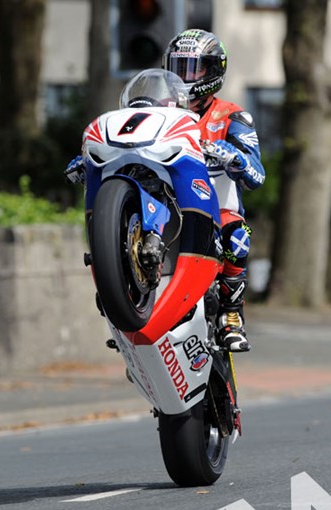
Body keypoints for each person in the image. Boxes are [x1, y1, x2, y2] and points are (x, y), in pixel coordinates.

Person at [65, 29, 265, 353]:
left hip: (215, 204)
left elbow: (257, 174)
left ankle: (232, 313)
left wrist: (233, 156)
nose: (183, 77)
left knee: (236, 236)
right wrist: (89, 158)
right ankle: (127, 298)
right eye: (177, 67)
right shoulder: (160, 110)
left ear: (214, 71)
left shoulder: (232, 116)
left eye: (193, 68)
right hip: (163, 198)